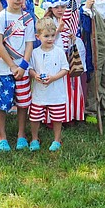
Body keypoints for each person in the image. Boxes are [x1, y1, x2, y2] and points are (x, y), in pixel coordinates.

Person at [0, 0, 36, 152]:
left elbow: (30, 43)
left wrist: (23, 65)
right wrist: (12, 66)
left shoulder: (27, 19)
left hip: (22, 68)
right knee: (3, 103)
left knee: (23, 103)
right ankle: (2, 136)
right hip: (4, 69)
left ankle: (21, 135)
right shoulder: (0, 18)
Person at [42, 0, 86, 123]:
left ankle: (71, 114)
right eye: (56, 7)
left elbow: (72, 38)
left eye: (63, 7)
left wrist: (73, 38)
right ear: (50, 8)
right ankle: (52, 118)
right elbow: (45, 41)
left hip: (68, 58)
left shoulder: (69, 21)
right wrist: (57, 30)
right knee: (56, 89)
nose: (60, 10)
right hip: (54, 60)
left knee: (71, 87)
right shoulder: (47, 22)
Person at [28, 17, 70, 152]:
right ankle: (34, 138)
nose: (50, 39)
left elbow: (65, 69)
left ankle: (57, 140)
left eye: (52, 35)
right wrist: (35, 76)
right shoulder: (35, 53)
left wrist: (53, 78)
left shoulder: (59, 51)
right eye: (46, 36)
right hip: (39, 93)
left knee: (57, 117)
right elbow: (30, 68)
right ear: (38, 36)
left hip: (56, 92)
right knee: (35, 116)